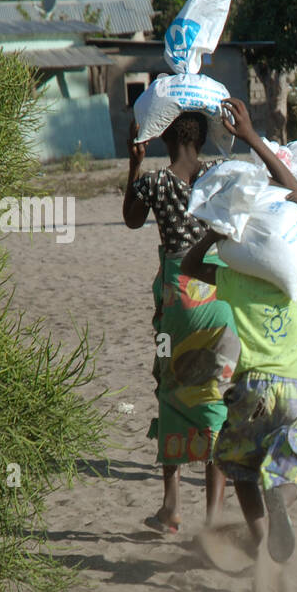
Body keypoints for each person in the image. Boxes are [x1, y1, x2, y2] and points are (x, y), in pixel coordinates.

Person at [181, 98, 297, 592]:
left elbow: (189, 267)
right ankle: (284, 505)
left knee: (239, 472)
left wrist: (217, 229)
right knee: (286, 474)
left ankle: (263, 545)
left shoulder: (235, 279)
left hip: (250, 390)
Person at [123, 111, 239, 532]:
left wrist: (135, 160)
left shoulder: (156, 181)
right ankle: (213, 518)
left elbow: (132, 219)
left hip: (178, 300)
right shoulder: (218, 176)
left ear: (168, 138)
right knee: (216, 394)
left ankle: (171, 507)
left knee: (170, 389)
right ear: (202, 140)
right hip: (221, 294)